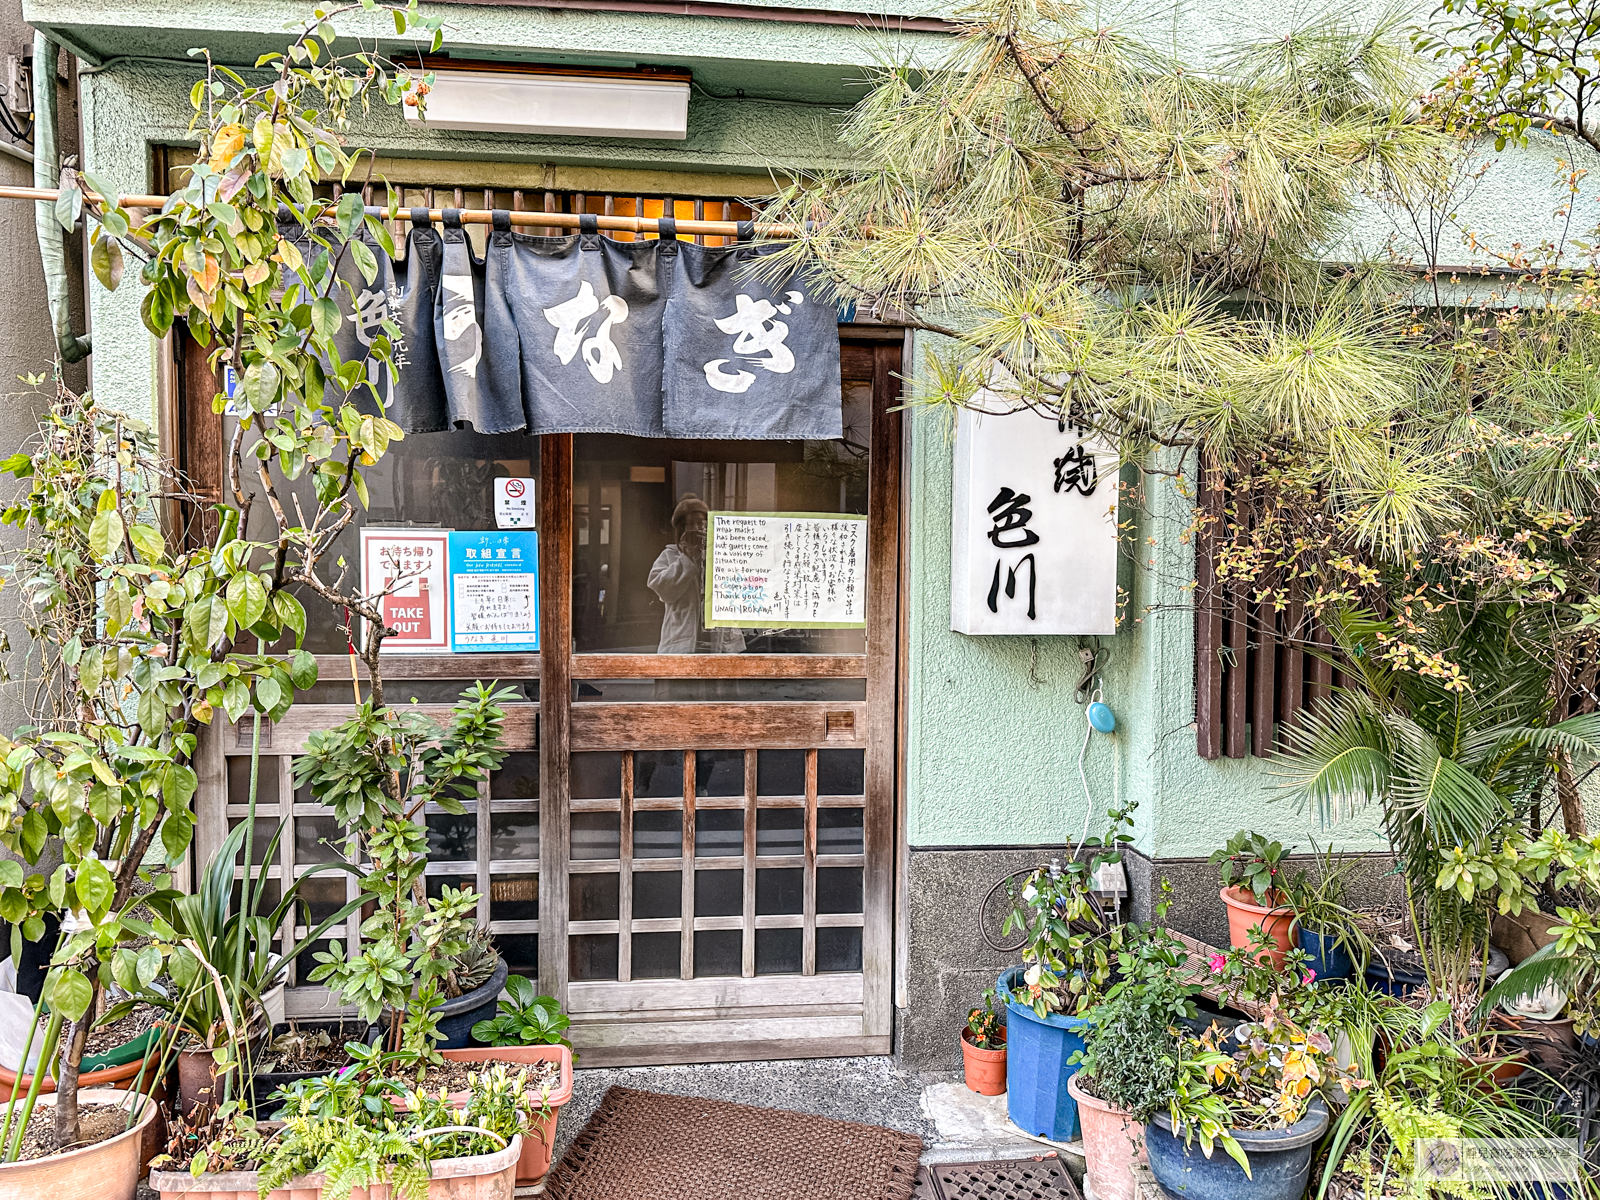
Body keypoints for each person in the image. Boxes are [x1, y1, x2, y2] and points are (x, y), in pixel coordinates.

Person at [648, 494, 744, 657]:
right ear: (681, 530)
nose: (697, 528)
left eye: (701, 523)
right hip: (683, 639)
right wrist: (688, 558)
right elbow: (664, 591)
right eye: (689, 524)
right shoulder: (670, 556)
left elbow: (740, 590)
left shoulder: (723, 554)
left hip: (721, 640)